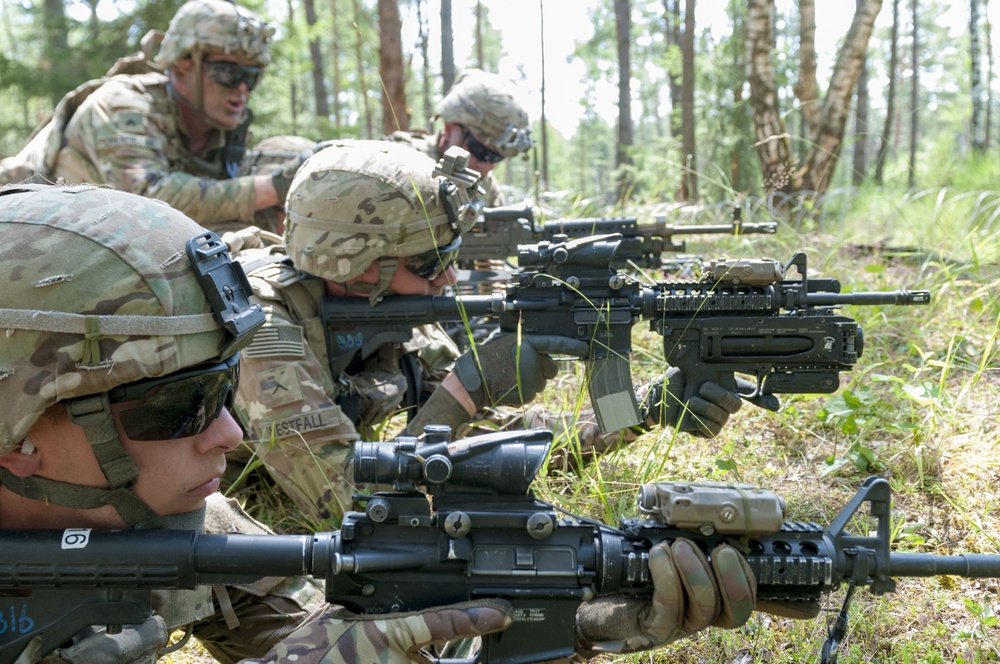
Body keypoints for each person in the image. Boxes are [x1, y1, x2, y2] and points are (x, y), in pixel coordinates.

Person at [0, 182, 761, 663]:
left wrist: (574, 621)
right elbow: (343, 492)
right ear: (17, 430)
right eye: (182, 406)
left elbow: (345, 635)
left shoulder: (180, 520)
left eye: (226, 391)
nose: (229, 434)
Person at [228, 139, 768, 529]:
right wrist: (465, 391)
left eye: (452, 255)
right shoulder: (262, 327)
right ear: (349, 261)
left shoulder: (390, 315)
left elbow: (490, 448)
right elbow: (353, 502)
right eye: (430, 260)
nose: (448, 276)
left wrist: (643, 413)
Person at [0, 0, 300, 235]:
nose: (243, 89)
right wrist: (274, 187)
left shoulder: (217, 128)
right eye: (229, 74)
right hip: (28, 237)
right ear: (183, 64)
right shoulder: (122, 103)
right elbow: (147, 198)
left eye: (253, 76)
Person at [386, 68, 533, 207]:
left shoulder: (485, 186)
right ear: (451, 128)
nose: (487, 166)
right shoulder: (399, 165)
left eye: (496, 158)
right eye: (480, 151)